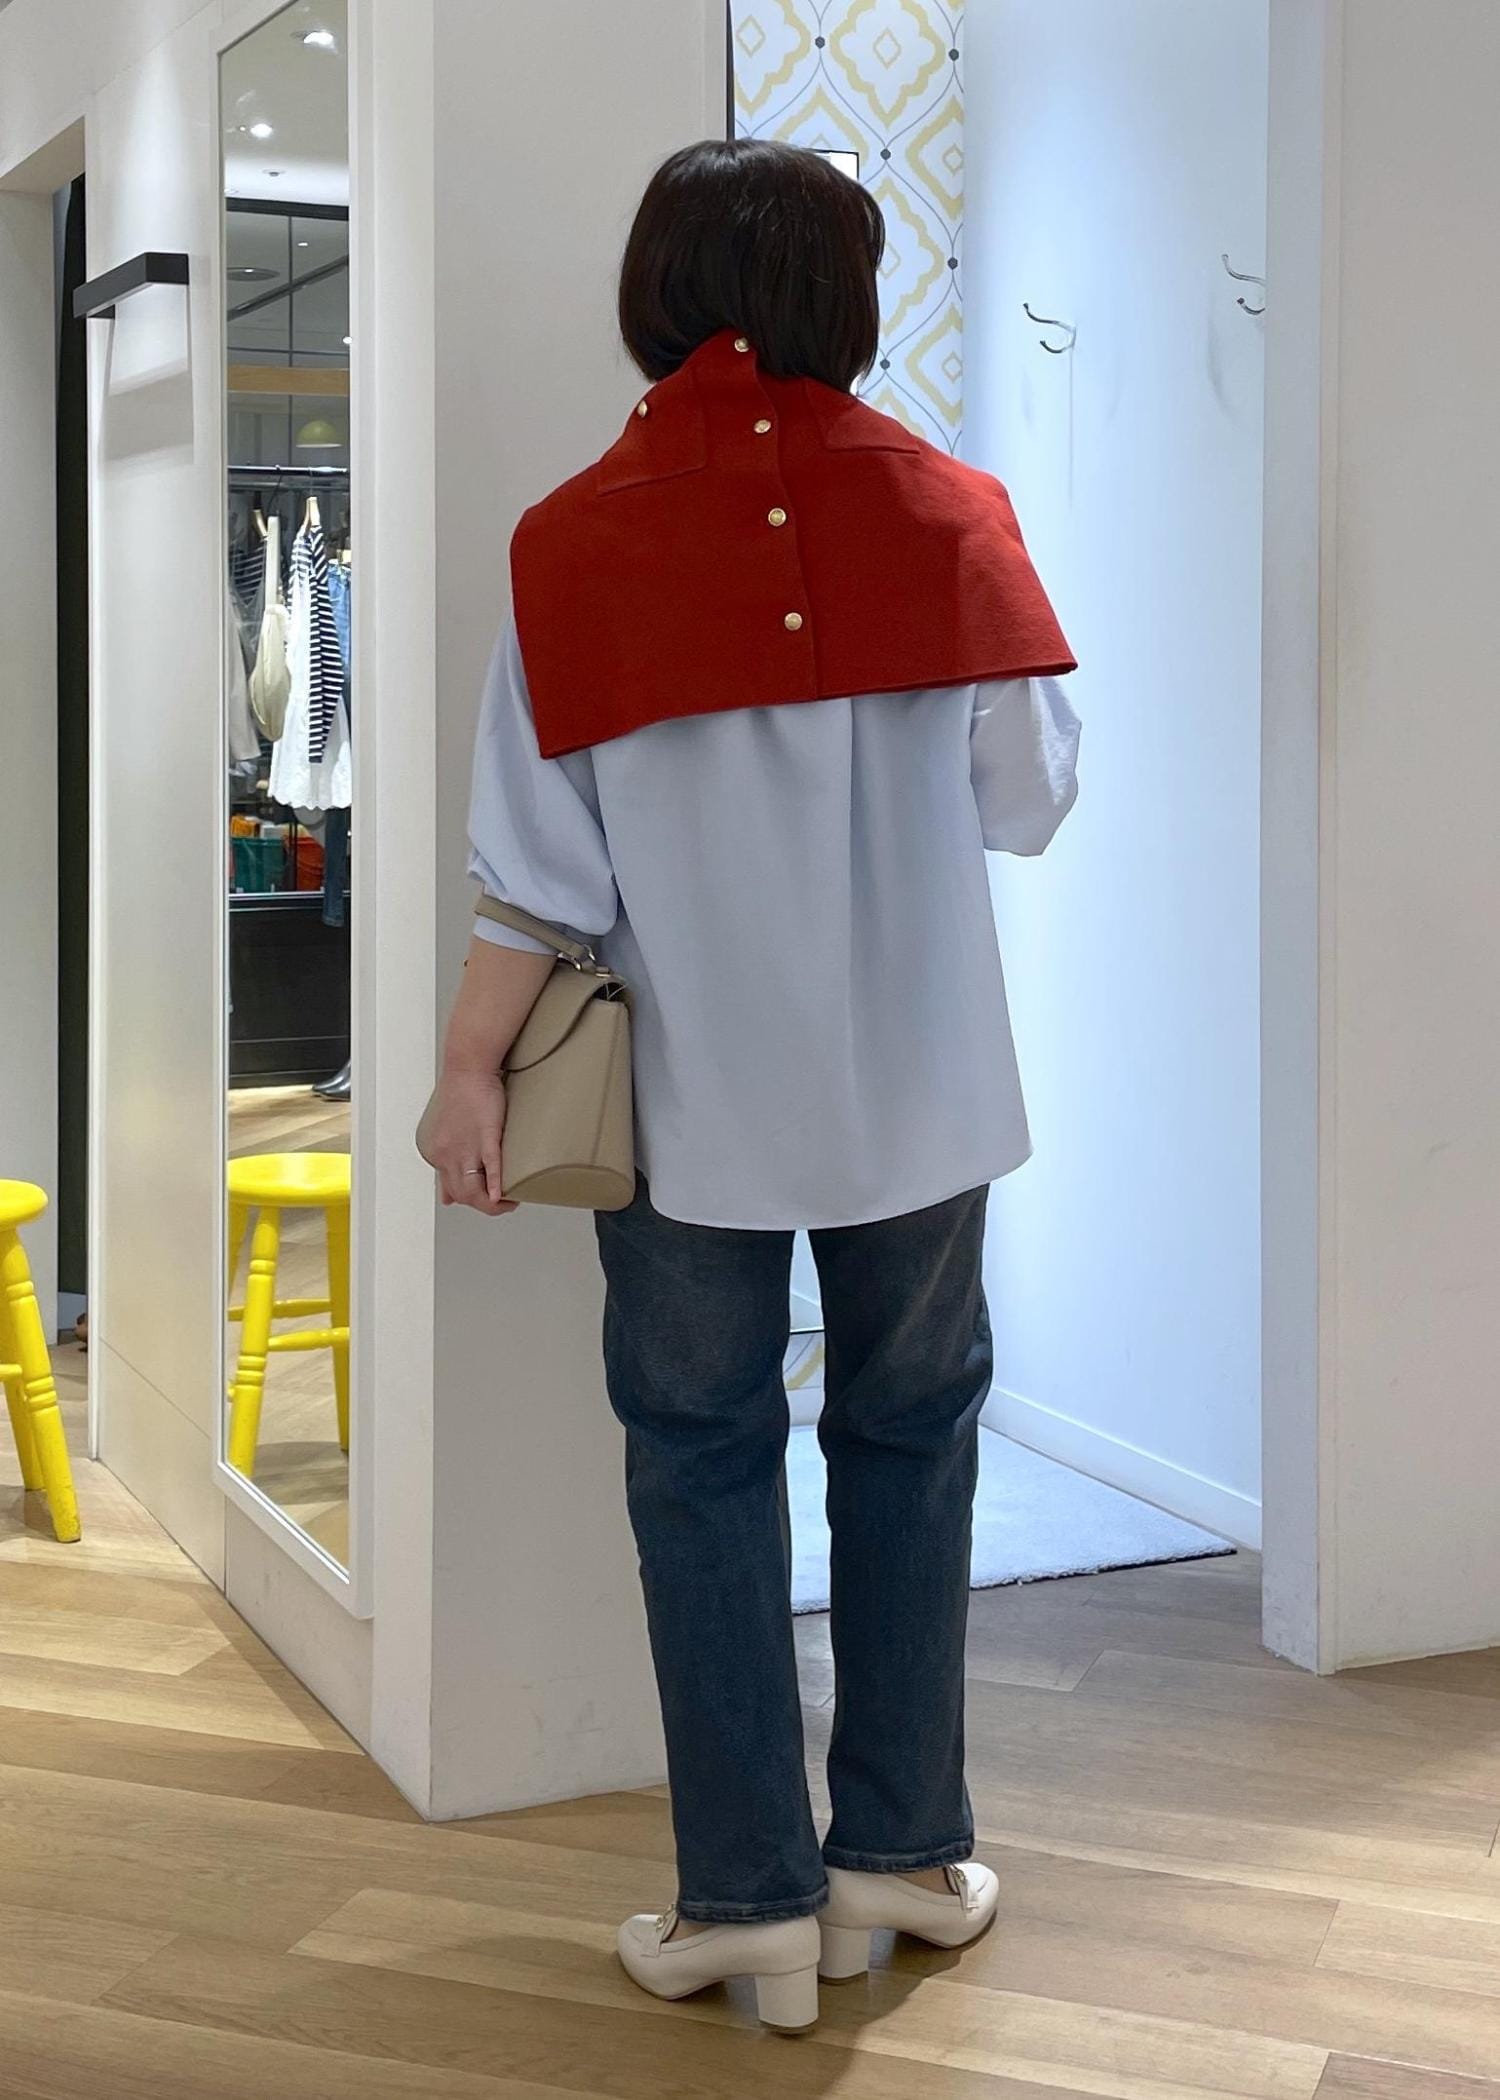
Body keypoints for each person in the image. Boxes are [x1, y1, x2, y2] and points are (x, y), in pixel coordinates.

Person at [423, 137, 1080, 2032]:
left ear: (657, 291)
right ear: (842, 301)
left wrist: (470, 1067)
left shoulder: (574, 541)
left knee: (700, 1464)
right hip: (921, 1098)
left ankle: (746, 1906)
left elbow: (538, 876)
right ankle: (904, 1859)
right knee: (911, 1443)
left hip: (687, 1113)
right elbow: (1030, 801)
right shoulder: (957, 512)